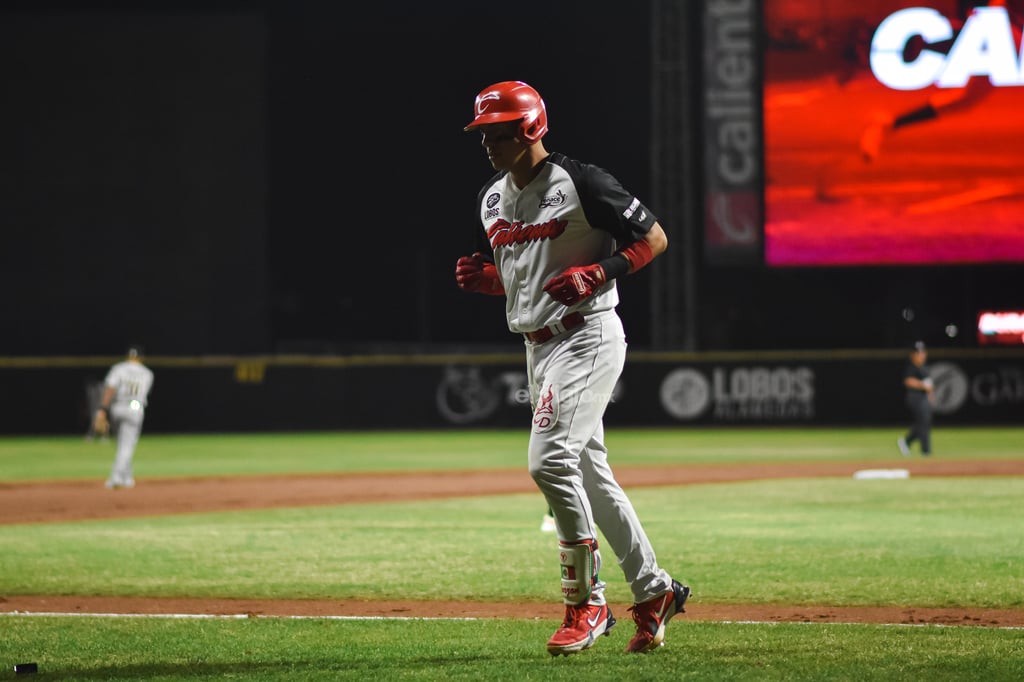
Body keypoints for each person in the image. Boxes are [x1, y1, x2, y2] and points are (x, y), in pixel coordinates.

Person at [455, 80, 689, 656]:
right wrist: (495, 282)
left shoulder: (580, 180)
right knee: (590, 475)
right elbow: (528, 272)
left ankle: (587, 603)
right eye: (483, 132)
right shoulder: (490, 197)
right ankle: (655, 590)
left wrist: (602, 271)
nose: (488, 141)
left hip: (587, 334)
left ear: (530, 128)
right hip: (537, 347)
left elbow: (654, 237)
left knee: (549, 459)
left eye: (498, 130)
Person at [92, 345, 155, 488]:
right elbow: (144, 393)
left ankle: (127, 478)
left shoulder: (118, 368)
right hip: (135, 406)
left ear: (127, 356)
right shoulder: (147, 373)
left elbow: (110, 388)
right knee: (127, 445)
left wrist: (102, 409)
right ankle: (116, 477)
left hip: (117, 406)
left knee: (122, 443)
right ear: (141, 358)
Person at [898, 341, 934, 457]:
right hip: (915, 397)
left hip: (923, 397)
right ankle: (926, 451)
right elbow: (908, 381)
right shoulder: (912, 367)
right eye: (918, 353)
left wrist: (930, 393)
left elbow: (929, 384)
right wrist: (922, 385)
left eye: (922, 352)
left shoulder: (924, 367)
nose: (921, 355)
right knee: (923, 422)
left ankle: (907, 441)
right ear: (913, 355)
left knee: (924, 423)